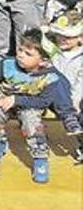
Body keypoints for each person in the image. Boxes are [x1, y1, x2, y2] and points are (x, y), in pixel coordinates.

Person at [0, 28, 82, 183]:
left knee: (31, 119)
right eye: (20, 50)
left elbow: (43, 101)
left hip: (29, 104)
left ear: (43, 60)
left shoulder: (50, 78)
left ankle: (40, 157)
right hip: (3, 101)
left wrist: (17, 100)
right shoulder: (7, 65)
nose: (20, 55)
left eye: (28, 54)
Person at [45, 10, 83, 163]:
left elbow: (81, 83)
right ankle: (69, 117)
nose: (62, 39)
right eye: (59, 35)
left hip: (76, 99)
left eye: (68, 36)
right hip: (55, 99)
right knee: (56, 77)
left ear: (80, 37)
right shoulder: (53, 52)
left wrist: (74, 103)